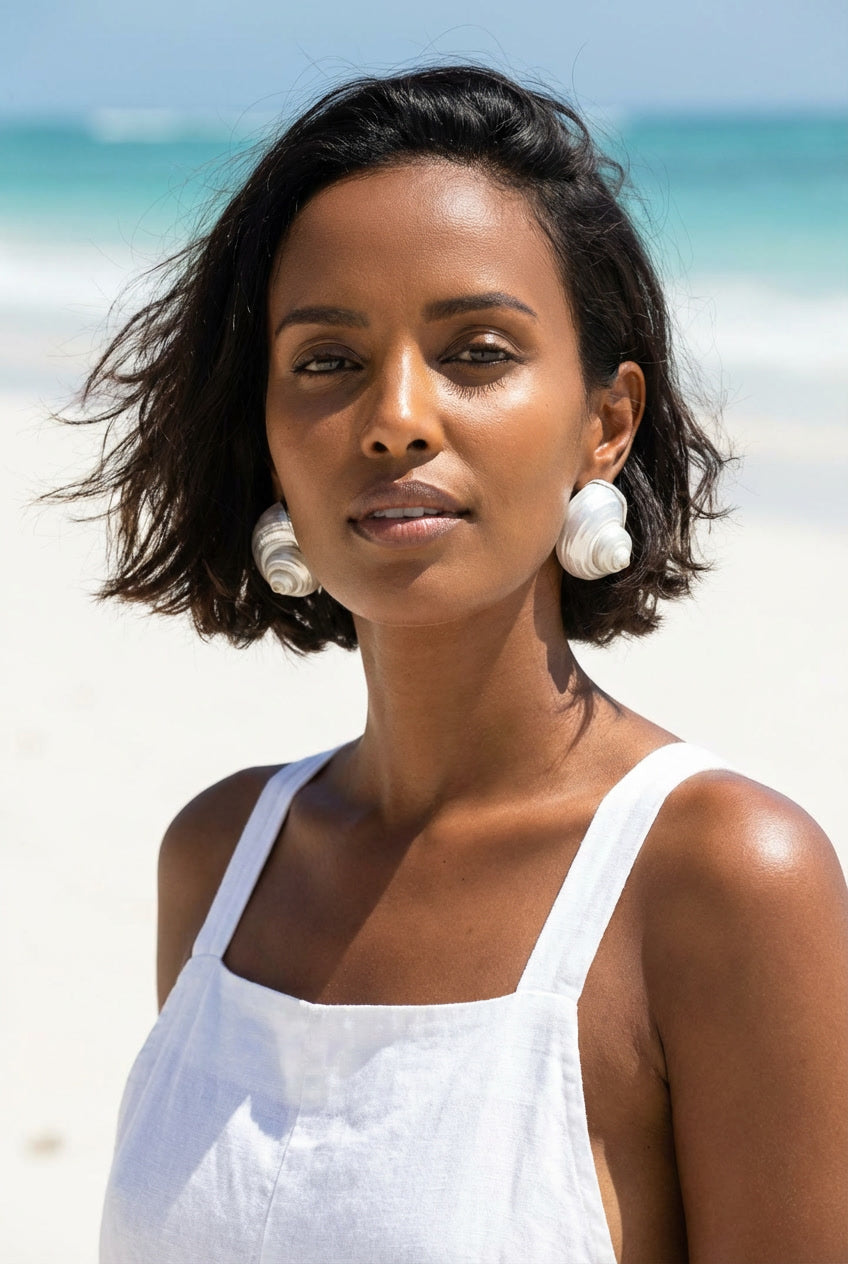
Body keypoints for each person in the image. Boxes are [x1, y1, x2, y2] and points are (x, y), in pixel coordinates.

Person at [62, 66, 847, 1263]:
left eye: (476, 351)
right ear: (266, 435)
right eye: (325, 361)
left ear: (606, 420)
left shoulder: (722, 879)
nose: (394, 417)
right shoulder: (223, 859)